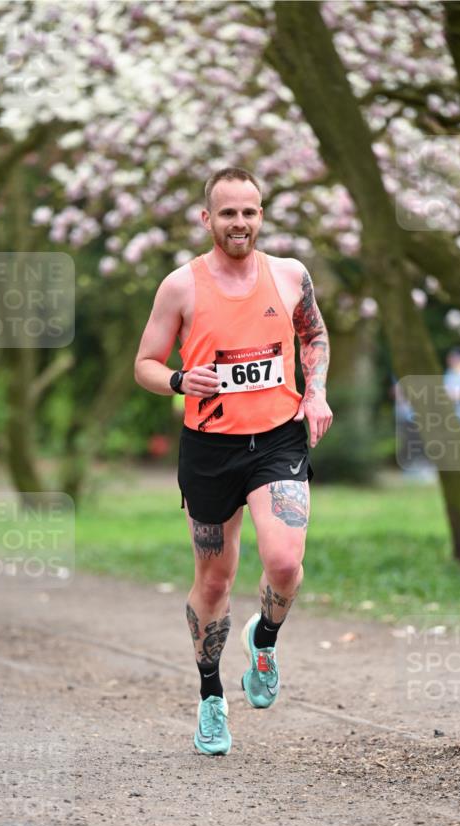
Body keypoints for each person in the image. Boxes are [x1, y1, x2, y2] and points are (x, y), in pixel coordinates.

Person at [134, 167, 333, 756]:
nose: (239, 222)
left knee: (285, 562)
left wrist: (316, 391)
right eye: (227, 213)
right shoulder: (181, 287)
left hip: (278, 439)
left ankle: (264, 639)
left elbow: (313, 336)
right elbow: (144, 362)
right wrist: (176, 378)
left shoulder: (290, 275)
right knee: (215, 580)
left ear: (261, 216)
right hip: (210, 450)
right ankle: (211, 697)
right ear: (207, 219)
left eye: (249, 212)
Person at [443, 348, 460, 422]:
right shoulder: (449, 373)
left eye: (454, 358)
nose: (451, 361)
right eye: (450, 358)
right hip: (455, 412)